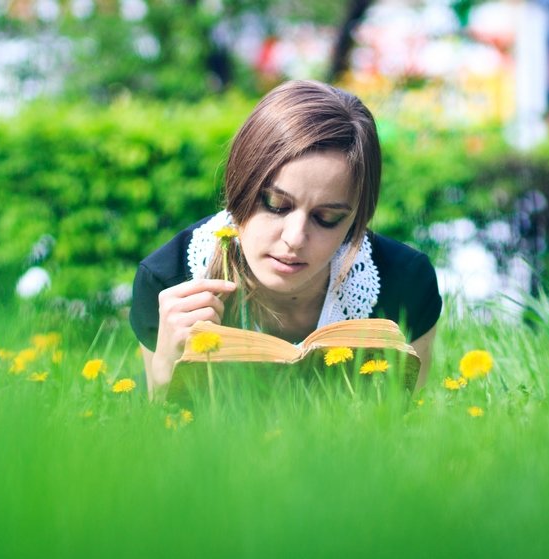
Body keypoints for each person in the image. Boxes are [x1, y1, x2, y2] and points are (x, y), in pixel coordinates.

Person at [129, 80, 442, 397]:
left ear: (356, 219)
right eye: (276, 205)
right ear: (240, 183)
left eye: (327, 218)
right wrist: (166, 371)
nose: (295, 239)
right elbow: (163, 436)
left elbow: (407, 428)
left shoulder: (406, 284)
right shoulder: (169, 282)